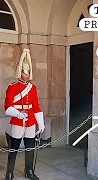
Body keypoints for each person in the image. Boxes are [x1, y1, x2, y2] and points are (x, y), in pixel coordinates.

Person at [3, 49, 45, 180]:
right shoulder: (12, 87)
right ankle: (9, 173)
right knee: (13, 148)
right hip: (17, 121)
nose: (25, 75)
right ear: (19, 72)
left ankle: (29, 171)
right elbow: (7, 107)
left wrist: (41, 122)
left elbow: (36, 106)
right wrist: (18, 114)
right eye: (23, 72)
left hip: (31, 121)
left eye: (27, 73)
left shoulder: (32, 88)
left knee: (30, 148)